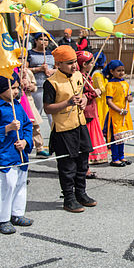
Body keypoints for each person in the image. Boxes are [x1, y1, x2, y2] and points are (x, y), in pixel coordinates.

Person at [43, 45, 96, 213]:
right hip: (63, 129)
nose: (74, 66)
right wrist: (67, 103)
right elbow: (48, 108)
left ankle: (81, 193)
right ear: (58, 64)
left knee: (82, 162)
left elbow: (83, 96)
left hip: (80, 125)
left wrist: (83, 101)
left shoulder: (79, 75)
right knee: (67, 166)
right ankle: (69, 198)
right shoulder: (51, 83)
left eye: (74, 62)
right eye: (69, 63)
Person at [0, 72, 33, 234]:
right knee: (6, 185)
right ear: (0, 90)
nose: (16, 91)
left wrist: (25, 141)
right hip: (5, 154)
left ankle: (17, 213)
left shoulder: (18, 106)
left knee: (20, 184)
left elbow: (27, 126)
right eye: (12, 88)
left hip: (20, 154)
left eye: (17, 87)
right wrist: (7, 128)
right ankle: (3, 219)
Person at [77, 50, 108, 168]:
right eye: (91, 62)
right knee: (86, 140)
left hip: (91, 110)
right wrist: (95, 93)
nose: (93, 64)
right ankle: (85, 166)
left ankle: (87, 165)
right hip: (86, 112)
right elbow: (82, 95)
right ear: (84, 64)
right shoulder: (80, 77)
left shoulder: (86, 75)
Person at [103, 60, 133, 167]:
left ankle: (121, 156)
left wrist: (129, 98)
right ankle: (115, 158)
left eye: (123, 70)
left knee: (122, 137)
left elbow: (130, 98)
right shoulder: (110, 85)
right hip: (115, 115)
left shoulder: (125, 83)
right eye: (118, 70)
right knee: (115, 138)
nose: (121, 72)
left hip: (125, 115)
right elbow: (109, 102)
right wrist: (119, 110)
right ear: (111, 71)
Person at [17, 55, 47, 158]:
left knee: (35, 125)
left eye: (24, 59)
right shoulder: (13, 72)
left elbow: (35, 86)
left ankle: (40, 147)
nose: (22, 61)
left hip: (29, 101)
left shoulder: (28, 72)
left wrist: (31, 87)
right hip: (19, 101)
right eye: (19, 58)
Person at [27, 32, 55, 128]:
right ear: (36, 40)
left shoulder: (52, 53)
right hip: (37, 87)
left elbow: (58, 68)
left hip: (51, 85)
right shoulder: (30, 53)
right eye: (41, 39)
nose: (44, 42)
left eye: (46, 40)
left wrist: (51, 71)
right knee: (37, 111)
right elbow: (25, 69)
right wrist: (38, 69)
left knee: (51, 113)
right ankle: (35, 136)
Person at [91, 50, 108, 129]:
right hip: (99, 101)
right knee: (101, 118)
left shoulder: (101, 73)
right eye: (105, 62)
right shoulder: (97, 74)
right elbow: (102, 89)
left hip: (103, 100)